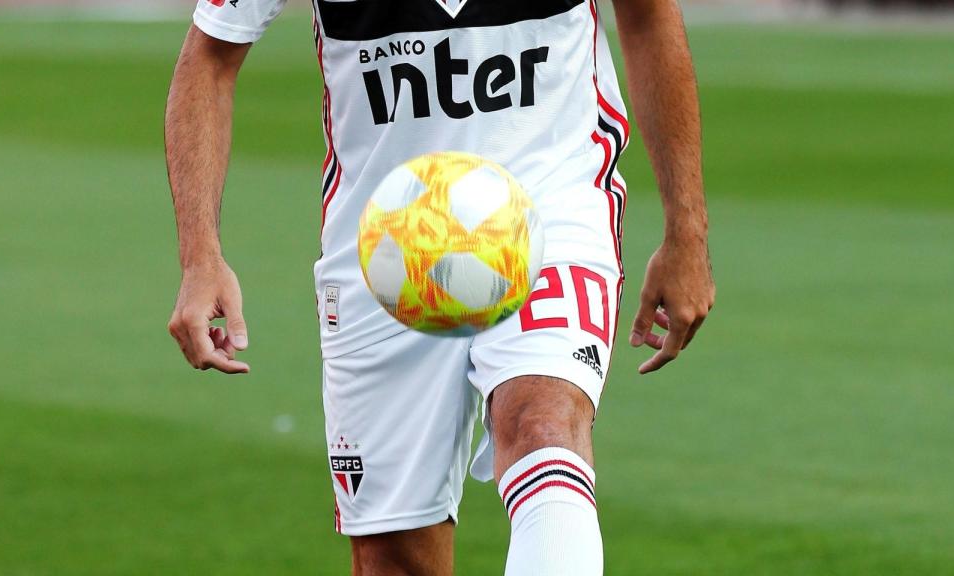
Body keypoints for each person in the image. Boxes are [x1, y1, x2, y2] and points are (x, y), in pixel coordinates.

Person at [165, 0, 714, 573]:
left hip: (542, 207)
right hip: (387, 246)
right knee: (396, 557)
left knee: (543, 423)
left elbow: (648, 14)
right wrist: (200, 257)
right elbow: (210, 56)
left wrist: (687, 231)